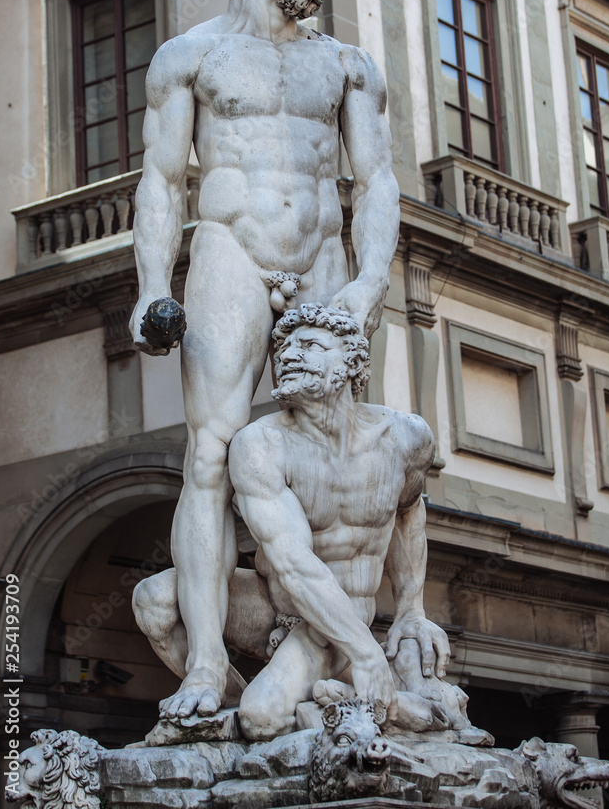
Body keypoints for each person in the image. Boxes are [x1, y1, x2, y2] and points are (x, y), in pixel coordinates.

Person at [129, 0, 400, 720]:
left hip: (324, 256)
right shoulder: (191, 58)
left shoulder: (348, 64)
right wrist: (150, 287)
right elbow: (163, 182)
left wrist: (369, 281)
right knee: (209, 455)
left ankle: (329, 643)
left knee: (333, 449)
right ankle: (208, 663)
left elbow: (377, 181)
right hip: (229, 253)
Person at [133, 304, 451, 740]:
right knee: (153, 600)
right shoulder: (261, 445)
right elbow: (293, 564)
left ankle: (378, 706)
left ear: (353, 362)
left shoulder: (405, 438)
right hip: (273, 601)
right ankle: (225, 710)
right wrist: (369, 657)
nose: (290, 355)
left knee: (264, 716)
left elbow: (409, 508)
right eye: (285, 348)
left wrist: (410, 610)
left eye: (312, 345)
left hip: (338, 620)